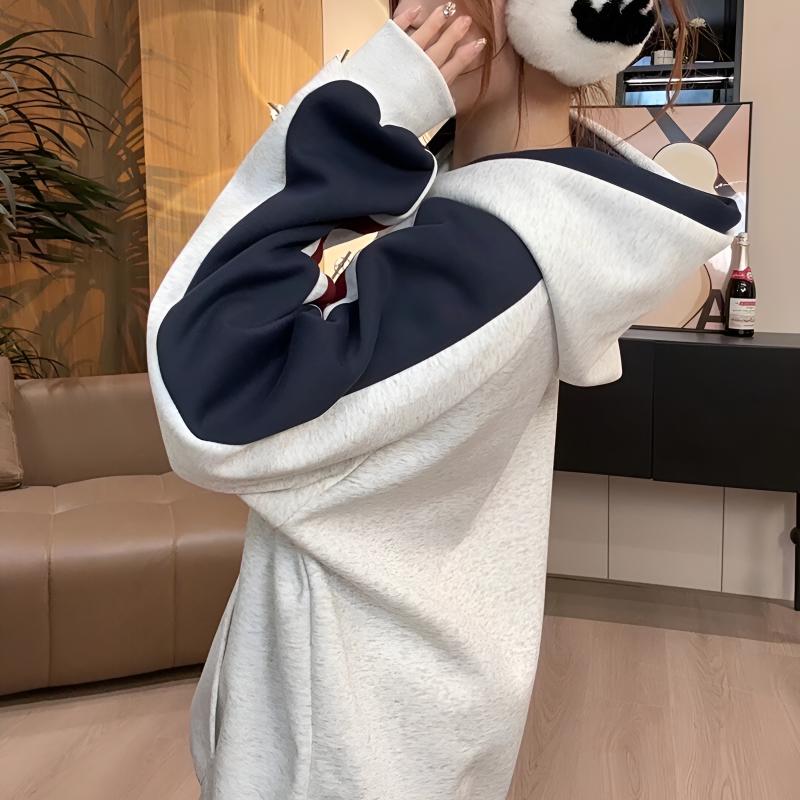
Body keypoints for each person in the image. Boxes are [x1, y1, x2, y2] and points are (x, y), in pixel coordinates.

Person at [146, 2, 740, 797]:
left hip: (348, 739)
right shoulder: (496, 233)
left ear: (540, 16)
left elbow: (210, 402)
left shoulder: (482, 267)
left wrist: (356, 117)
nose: (408, 14)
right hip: (388, 704)